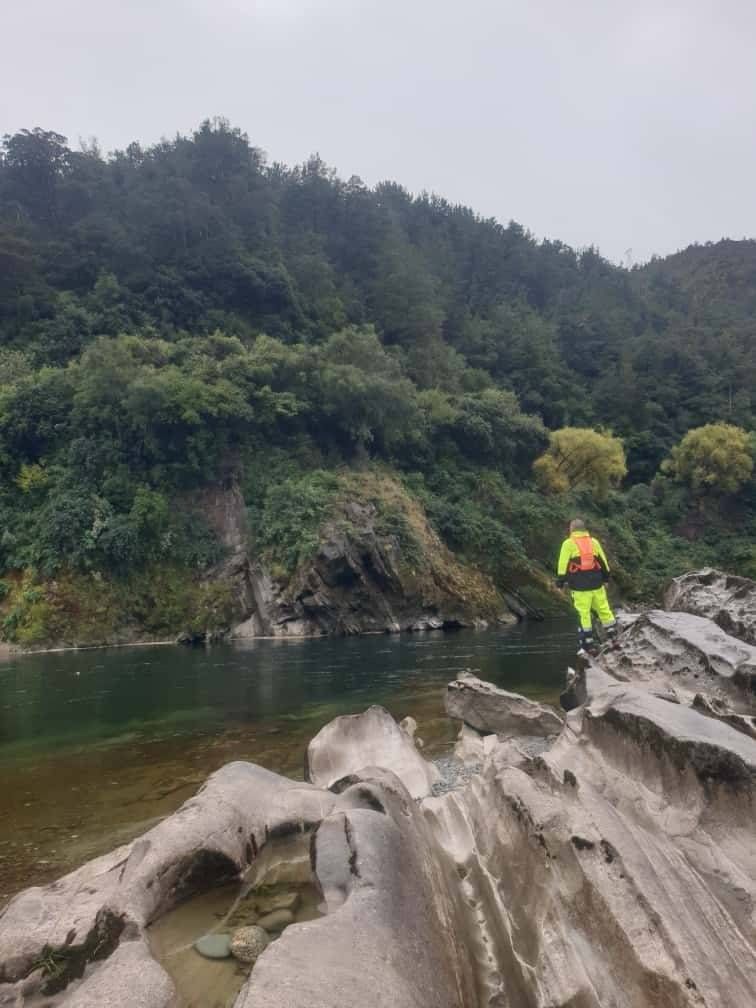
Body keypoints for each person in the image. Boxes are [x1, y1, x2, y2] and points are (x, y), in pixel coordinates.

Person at [556, 517, 617, 654]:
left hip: (579, 585)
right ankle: (614, 638)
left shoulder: (568, 543)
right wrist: (606, 578)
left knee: (583, 613)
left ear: (572, 529)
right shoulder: (593, 542)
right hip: (597, 583)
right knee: (604, 609)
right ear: (584, 530)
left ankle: (587, 645)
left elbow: (562, 564)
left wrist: (560, 582)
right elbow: (603, 561)